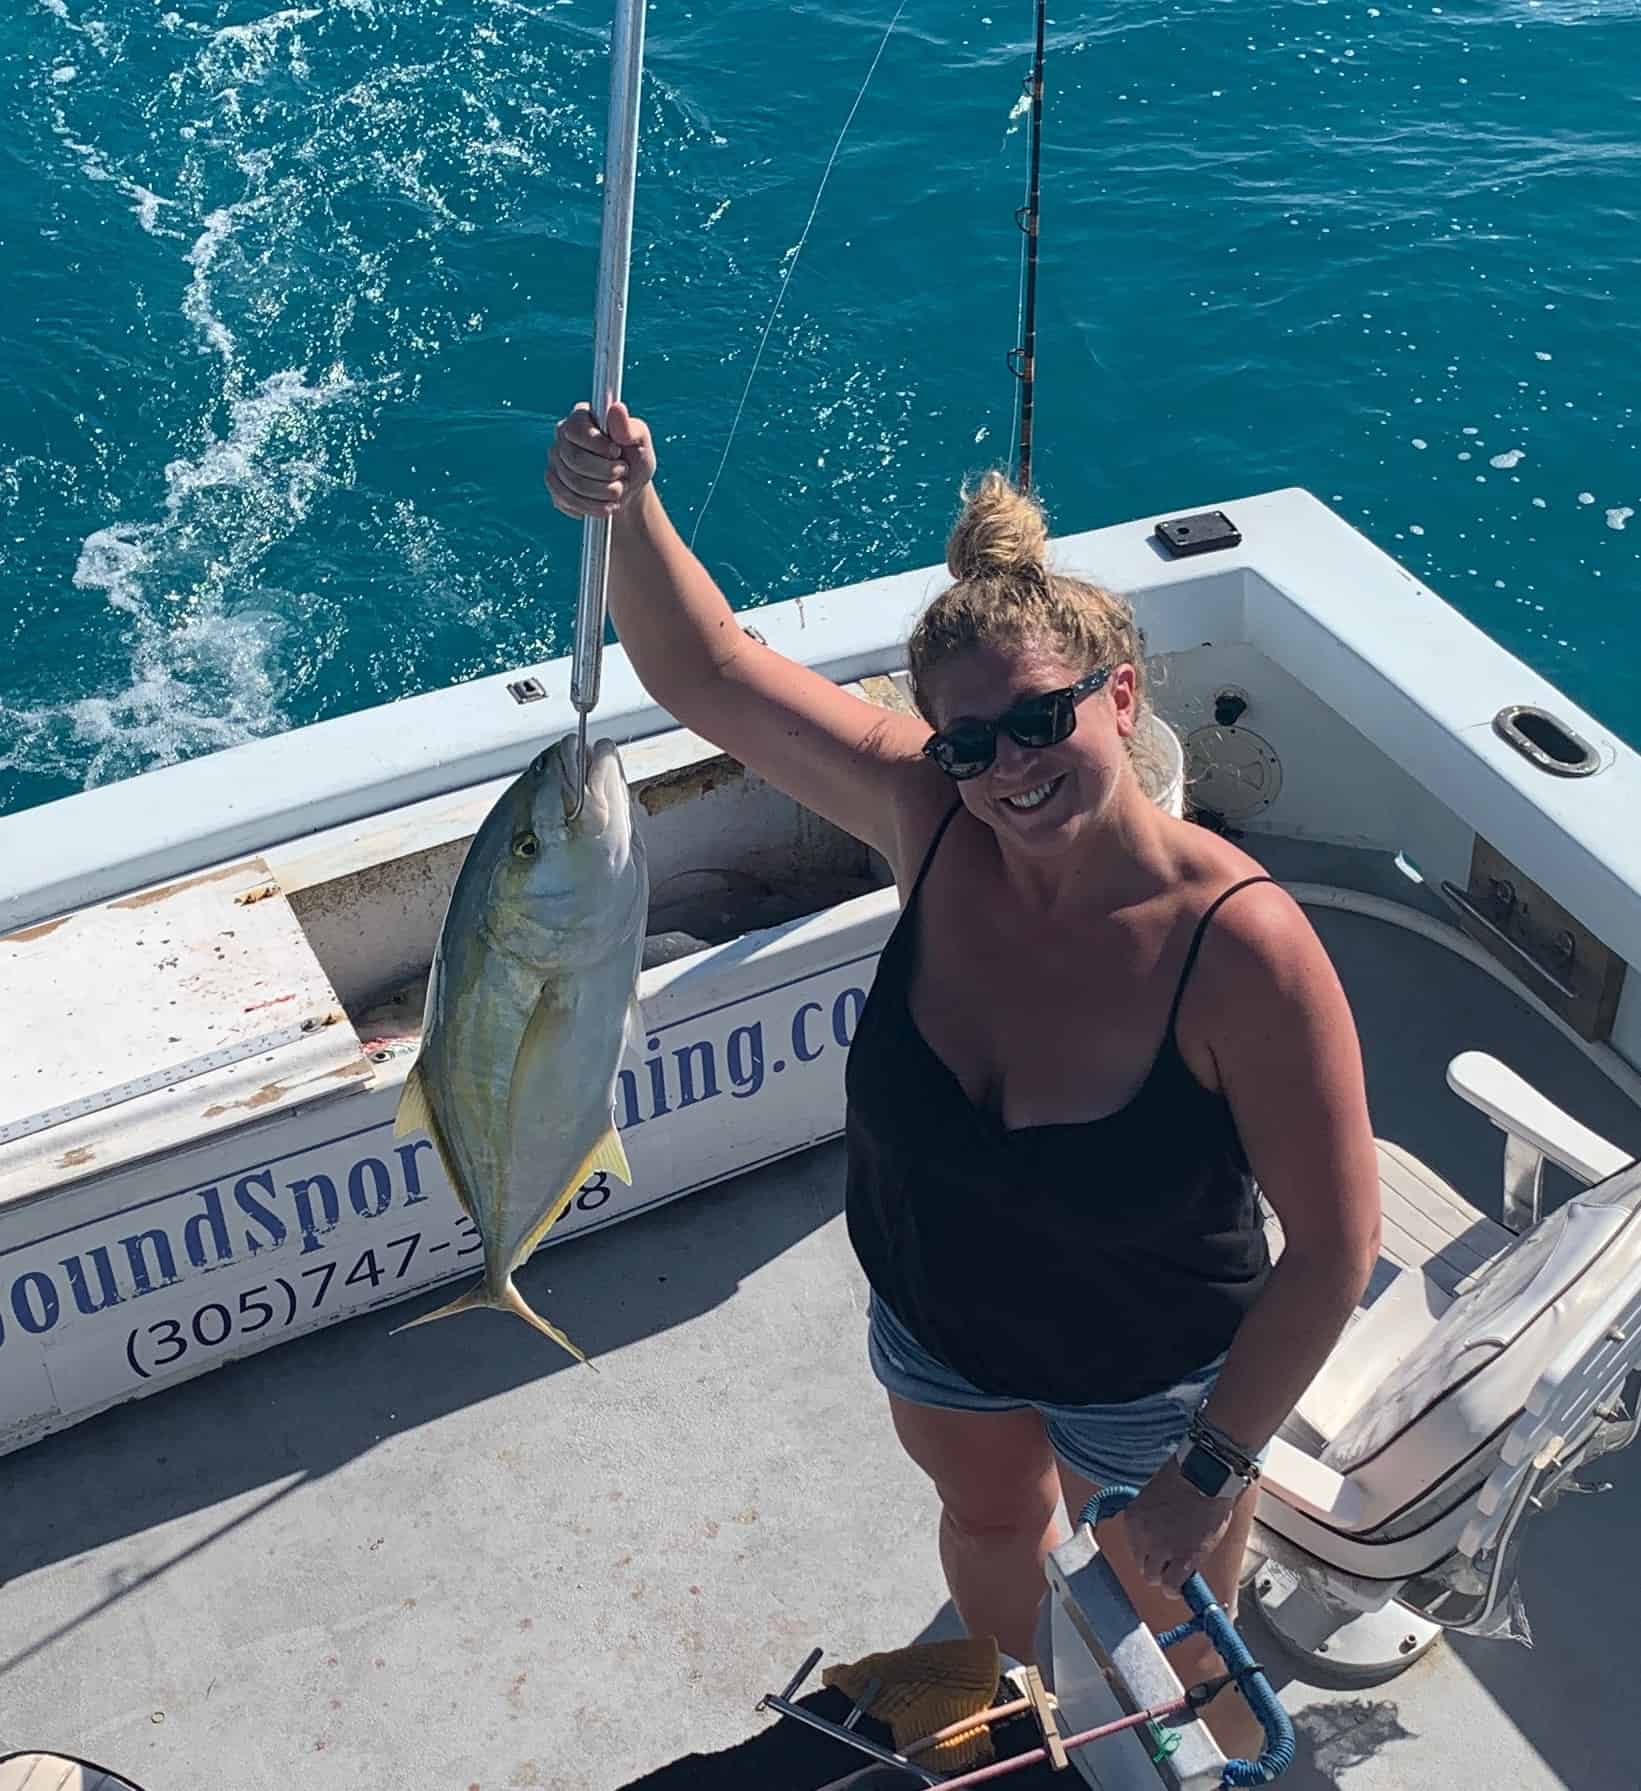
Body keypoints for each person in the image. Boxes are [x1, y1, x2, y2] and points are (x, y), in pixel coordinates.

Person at [546, 400, 1382, 1761]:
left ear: (1117, 695)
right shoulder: (929, 820)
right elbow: (704, 674)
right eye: (967, 742)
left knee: (1173, 1640)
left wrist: (1207, 1469)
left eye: (1041, 719)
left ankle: (1210, 1773)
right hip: (937, 1323)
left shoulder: (1240, 947)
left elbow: (1336, 1250)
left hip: (1150, 1381)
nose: (1010, 768)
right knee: (989, 1528)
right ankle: (1009, 1715)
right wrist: (626, 501)